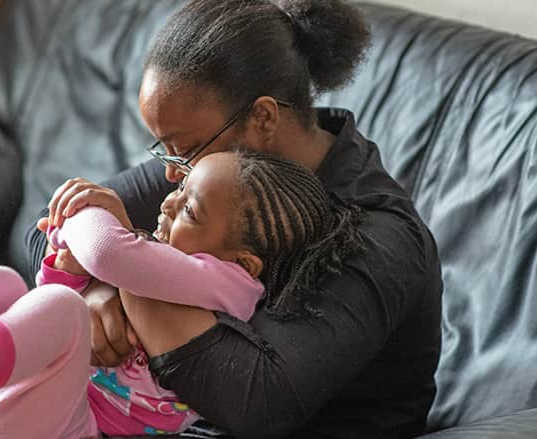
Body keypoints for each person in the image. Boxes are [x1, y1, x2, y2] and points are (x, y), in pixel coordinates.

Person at [24, 0, 443, 438]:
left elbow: (260, 403)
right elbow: (51, 221)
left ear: (263, 117)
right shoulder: (213, 168)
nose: (170, 175)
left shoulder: (376, 234)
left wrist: (125, 274)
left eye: (183, 150)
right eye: (165, 151)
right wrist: (96, 287)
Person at [0, 150, 364, 438]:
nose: (168, 203)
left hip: (73, 430)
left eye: (191, 207)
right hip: (13, 417)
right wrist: (65, 262)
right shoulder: (164, 259)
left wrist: (93, 212)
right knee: (11, 289)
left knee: (62, 313)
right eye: (180, 188)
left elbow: (109, 254)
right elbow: (63, 285)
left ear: (242, 262)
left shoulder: (231, 289)